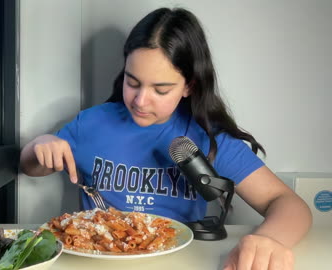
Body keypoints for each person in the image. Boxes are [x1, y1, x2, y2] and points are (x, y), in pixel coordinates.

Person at [20, 7, 311, 270]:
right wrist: (39, 146)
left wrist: (268, 239)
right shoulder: (92, 124)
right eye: (132, 82)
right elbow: (31, 166)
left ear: (188, 87)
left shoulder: (204, 139)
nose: (141, 101)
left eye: (160, 90)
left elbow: (288, 204)